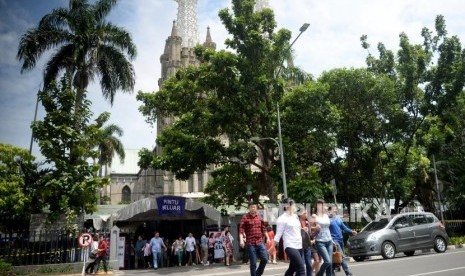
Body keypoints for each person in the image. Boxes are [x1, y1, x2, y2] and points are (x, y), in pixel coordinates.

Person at [274, 198, 305, 276]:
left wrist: (303, 229)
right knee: (301, 269)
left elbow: (295, 229)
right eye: (293, 205)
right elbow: (278, 235)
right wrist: (272, 247)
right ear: (287, 206)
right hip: (290, 245)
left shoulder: (295, 216)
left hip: (299, 245)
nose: (295, 206)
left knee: (292, 268)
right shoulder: (282, 219)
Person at [239, 201, 269, 276]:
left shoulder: (259, 217)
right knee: (253, 263)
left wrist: (268, 238)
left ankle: (257, 274)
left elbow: (264, 229)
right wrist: (241, 240)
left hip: (260, 242)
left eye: (254, 207)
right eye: (251, 207)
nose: (252, 208)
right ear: (249, 208)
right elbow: (241, 230)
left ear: (256, 208)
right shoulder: (245, 217)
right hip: (250, 243)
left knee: (265, 259)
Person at [329, 205, 357, 276]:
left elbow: (343, 227)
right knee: (342, 256)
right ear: (330, 210)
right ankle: (348, 273)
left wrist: (351, 232)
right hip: (334, 240)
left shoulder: (338, 218)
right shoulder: (328, 219)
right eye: (334, 209)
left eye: (336, 209)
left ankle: (331, 272)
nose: (335, 210)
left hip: (340, 240)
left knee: (336, 256)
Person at [313, 199, 333, 276]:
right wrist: (315, 227)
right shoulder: (314, 216)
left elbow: (328, 228)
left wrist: (332, 240)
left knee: (330, 263)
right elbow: (310, 227)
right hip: (320, 241)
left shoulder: (326, 215)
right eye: (322, 205)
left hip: (329, 240)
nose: (324, 206)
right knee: (327, 261)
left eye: (324, 205)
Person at [299, 209, 313, 276]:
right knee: (301, 264)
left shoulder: (307, 223)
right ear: (300, 214)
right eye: (305, 213)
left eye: (307, 213)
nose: (306, 215)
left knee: (309, 264)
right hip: (299, 245)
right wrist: (302, 229)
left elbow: (310, 234)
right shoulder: (297, 222)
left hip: (307, 245)